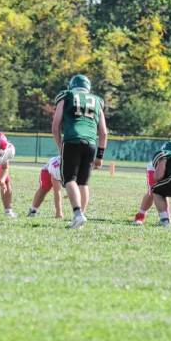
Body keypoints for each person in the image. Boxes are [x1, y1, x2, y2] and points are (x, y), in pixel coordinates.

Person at [52, 74, 108, 228]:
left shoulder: (66, 95)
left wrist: (59, 146)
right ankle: (80, 218)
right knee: (83, 182)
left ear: (72, 85)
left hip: (72, 140)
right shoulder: (97, 100)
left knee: (70, 179)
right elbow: (103, 132)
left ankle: (78, 214)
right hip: (91, 143)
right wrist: (100, 156)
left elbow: (55, 125)